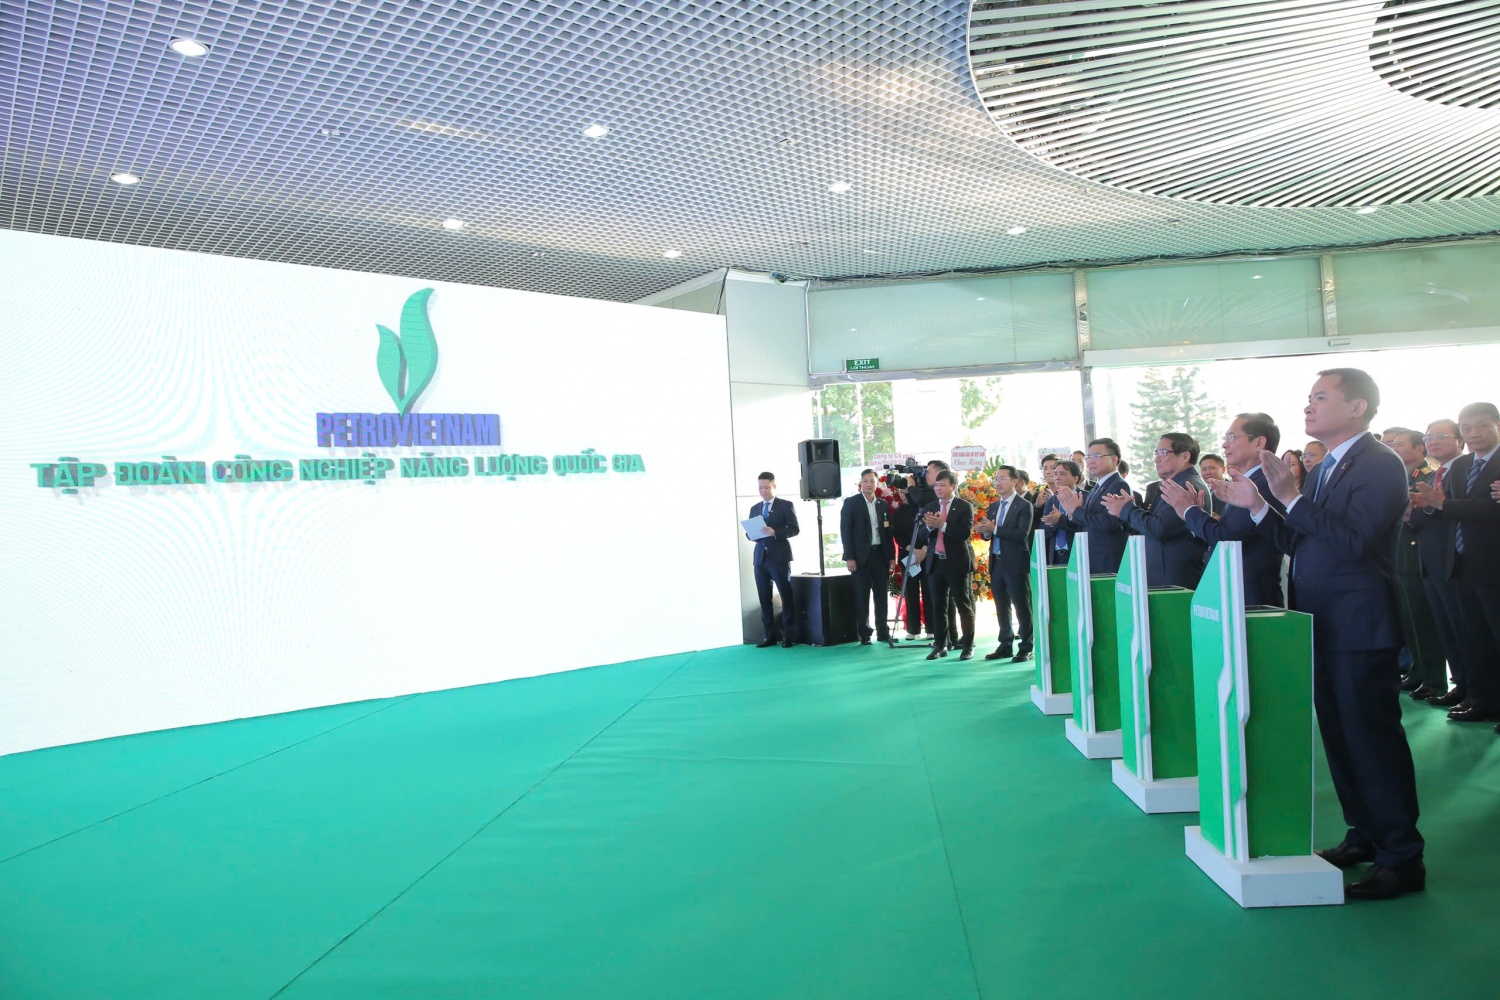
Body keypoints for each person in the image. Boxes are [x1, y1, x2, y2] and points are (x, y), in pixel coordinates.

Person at [1215, 368, 1422, 901]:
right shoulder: (1328, 465)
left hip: (1359, 624)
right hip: (1322, 621)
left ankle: (1401, 857)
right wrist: (1259, 507)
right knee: (1339, 736)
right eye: (1308, 398)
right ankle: (1364, 834)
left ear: (1357, 407)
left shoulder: (1379, 463)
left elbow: (1355, 541)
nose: (1308, 406)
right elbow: (1302, 543)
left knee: (1372, 742)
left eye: (1321, 397)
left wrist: (1291, 496)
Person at [1410, 402, 1500, 731]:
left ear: (1497, 426)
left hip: (1494, 564)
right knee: (1475, 640)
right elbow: (1447, 509)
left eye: (1481, 426)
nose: (1473, 433)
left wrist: (1444, 505)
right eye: (1467, 428)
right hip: (1461, 564)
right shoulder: (1461, 466)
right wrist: (1429, 506)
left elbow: (1490, 509)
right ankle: (1485, 701)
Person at [1163, 413, 1286, 607]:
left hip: (1250, 598)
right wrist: (1198, 515)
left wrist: (1190, 511)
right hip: (1229, 590)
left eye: (1232, 437)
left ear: (1259, 442)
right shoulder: (1246, 481)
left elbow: (1228, 539)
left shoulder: (1264, 483)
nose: (1224, 445)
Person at [1103, 432, 1207, 589]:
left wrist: (1128, 509)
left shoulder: (1186, 486)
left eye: (1163, 452)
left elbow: (1160, 528)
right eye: (1156, 453)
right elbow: (1150, 526)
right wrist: (1125, 511)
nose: (1157, 458)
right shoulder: (1171, 484)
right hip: (1162, 573)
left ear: (1185, 456)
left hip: (1174, 578)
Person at [1407, 420, 1465, 703]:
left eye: (1441, 436)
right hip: (1430, 561)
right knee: (1447, 630)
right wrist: (1410, 512)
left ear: (1460, 440)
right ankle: (1464, 687)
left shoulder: (1466, 471)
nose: (1434, 441)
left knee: (1466, 632)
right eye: (1430, 436)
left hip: (1459, 563)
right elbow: (1424, 516)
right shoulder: (1432, 477)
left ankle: (1479, 691)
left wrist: (1431, 506)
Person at [1387, 429, 1444, 696]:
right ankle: (1418, 669)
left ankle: (1434, 678)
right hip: (1398, 554)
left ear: (1420, 449)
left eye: (1400, 444)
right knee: (1408, 619)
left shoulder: (1429, 476)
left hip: (1417, 553)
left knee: (1423, 619)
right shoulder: (1400, 476)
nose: (1394, 448)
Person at [912, 470, 975, 660]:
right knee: (938, 607)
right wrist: (929, 527)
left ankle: (967, 646)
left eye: (942, 485)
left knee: (963, 606)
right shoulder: (930, 506)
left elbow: (964, 533)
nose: (938, 488)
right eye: (936, 485)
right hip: (935, 563)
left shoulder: (964, 506)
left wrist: (943, 525)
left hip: (956, 563)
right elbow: (921, 535)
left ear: (953, 486)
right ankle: (940, 645)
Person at [976, 465, 1035, 663]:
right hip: (997, 561)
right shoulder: (994, 506)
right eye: (996, 479)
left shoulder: (1024, 505)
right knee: (1001, 606)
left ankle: (1026, 646)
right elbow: (990, 534)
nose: (998, 483)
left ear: (1014, 481)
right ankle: (1005, 644)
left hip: (1016, 562)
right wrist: (986, 531)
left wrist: (995, 529)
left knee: (1022, 606)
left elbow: (1022, 534)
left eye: (1003, 478)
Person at [1054, 438, 1132, 574]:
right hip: (1092, 556)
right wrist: (1072, 513)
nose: (1090, 461)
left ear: (1114, 459)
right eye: (1088, 457)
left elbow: (1108, 523)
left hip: (1107, 559)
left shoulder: (1118, 485)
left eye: (1097, 456)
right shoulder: (1098, 486)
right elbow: (1086, 521)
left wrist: (1076, 510)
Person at [840, 469, 897, 646]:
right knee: (862, 596)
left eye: (872, 481)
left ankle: (883, 632)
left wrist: (891, 557)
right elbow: (845, 531)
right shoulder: (851, 503)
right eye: (865, 481)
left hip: (880, 555)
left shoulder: (882, 504)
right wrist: (850, 557)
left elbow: (887, 533)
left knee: (881, 596)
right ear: (860, 483)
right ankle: (865, 634)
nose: (868, 484)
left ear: (877, 483)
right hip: (859, 558)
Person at [748, 471, 799, 648]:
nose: (763, 491)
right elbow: (751, 534)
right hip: (760, 558)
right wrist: (751, 533)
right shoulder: (755, 508)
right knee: (764, 597)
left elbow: (794, 529)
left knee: (785, 595)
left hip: (779, 557)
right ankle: (768, 636)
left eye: (766, 487)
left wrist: (775, 532)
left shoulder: (785, 505)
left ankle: (788, 635)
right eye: (760, 487)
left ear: (773, 486)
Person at [891, 480, 929, 642]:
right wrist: (913, 550)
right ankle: (913, 629)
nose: (904, 495)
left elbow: (931, 531)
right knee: (911, 593)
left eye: (906, 492)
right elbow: (898, 535)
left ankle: (931, 628)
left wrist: (924, 550)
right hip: (908, 556)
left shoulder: (924, 509)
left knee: (929, 592)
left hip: (926, 556)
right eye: (901, 492)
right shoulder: (899, 512)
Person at [1041, 459, 1084, 565]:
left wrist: (1060, 519)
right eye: (1056, 474)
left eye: (1062, 474)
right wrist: (1051, 524)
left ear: (1075, 478)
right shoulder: (1052, 499)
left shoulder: (1084, 497)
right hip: (1055, 555)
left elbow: (1083, 525)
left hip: (1078, 552)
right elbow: (1043, 529)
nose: (1057, 477)